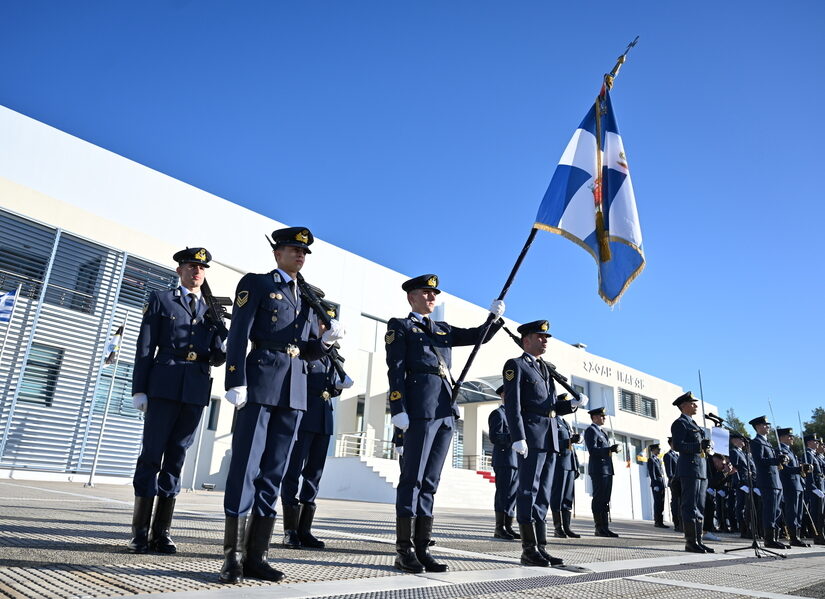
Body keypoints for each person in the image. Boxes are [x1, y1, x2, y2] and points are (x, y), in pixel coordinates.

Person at [219, 227, 345, 584]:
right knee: (245, 467)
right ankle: (232, 557)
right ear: (277, 253)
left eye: (304, 252)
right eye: (293, 250)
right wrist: (235, 379)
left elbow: (305, 350)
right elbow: (238, 333)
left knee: (275, 472)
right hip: (259, 383)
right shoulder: (257, 284)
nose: (300, 255)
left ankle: (257, 556)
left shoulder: (305, 297)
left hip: (294, 390)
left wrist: (324, 342)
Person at [386, 273, 504, 573]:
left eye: (433, 294)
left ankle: (423, 548)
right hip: (418, 408)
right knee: (411, 478)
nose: (431, 298)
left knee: (430, 481)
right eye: (425, 293)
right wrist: (397, 406)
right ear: (411, 296)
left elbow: (477, 336)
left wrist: (493, 318)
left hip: (445, 409)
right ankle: (404, 551)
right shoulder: (400, 326)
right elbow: (395, 368)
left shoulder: (442, 329)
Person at [129, 247, 227, 554]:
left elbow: (217, 356)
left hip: (195, 387)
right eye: (191, 266)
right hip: (164, 382)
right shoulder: (162, 299)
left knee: (176, 459)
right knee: (151, 456)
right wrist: (139, 389)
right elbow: (145, 346)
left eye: (201, 268)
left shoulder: (212, 309)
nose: (197, 271)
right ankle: (140, 533)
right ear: (179, 270)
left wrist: (226, 343)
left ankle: (162, 532)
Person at [281, 299, 353, 550]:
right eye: (323, 323)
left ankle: (305, 529)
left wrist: (337, 387)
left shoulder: (333, 355)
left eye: (328, 324)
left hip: (323, 420)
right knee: (292, 473)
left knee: (313, 475)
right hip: (303, 417)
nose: (325, 327)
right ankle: (290, 530)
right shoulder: (306, 349)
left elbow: (329, 387)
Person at [502, 319, 573, 567]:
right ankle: (528, 548)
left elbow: (551, 406)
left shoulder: (546, 369)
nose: (544, 341)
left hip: (550, 438)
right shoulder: (516, 366)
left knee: (543, 494)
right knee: (528, 491)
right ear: (526, 340)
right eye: (540, 337)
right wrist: (518, 436)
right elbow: (513, 405)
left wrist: (572, 405)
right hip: (531, 438)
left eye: (546, 338)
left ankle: (541, 547)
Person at [671, 391, 714, 553]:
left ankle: (699, 540)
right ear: (683, 406)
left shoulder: (695, 424)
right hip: (689, 468)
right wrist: (698, 447)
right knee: (690, 505)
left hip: (700, 469)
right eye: (692, 403)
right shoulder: (680, 423)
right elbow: (678, 445)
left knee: (700, 506)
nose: (696, 405)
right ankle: (691, 542)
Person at [749, 415, 789, 549]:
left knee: (776, 511)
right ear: (758, 427)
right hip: (767, 480)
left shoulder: (768, 443)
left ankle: (775, 537)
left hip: (775, 481)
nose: (768, 427)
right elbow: (759, 461)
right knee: (770, 510)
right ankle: (769, 539)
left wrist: (780, 459)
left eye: (768, 425)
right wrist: (775, 460)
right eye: (765, 425)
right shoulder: (756, 442)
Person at [551, 393, 585, 539]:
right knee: (557, 496)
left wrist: (576, 466)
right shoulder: (552, 420)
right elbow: (551, 443)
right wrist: (568, 441)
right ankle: (558, 528)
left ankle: (567, 527)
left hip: (569, 464)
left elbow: (572, 449)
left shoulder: (565, 423)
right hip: (559, 464)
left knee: (567, 498)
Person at [488, 385, 519, 540]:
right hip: (504, 459)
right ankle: (499, 528)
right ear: (503, 395)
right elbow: (494, 437)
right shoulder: (498, 414)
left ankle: (509, 526)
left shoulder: (516, 415)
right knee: (503, 494)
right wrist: (513, 437)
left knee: (512, 495)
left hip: (516, 460)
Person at [584, 406, 619, 537]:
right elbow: (592, 450)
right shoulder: (591, 431)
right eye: (602, 416)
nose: (604, 418)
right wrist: (608, 449)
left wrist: (610, 450)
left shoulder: (603, 432)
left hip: (607, 469)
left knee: (605, 499)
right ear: (594, 417)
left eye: (604, 416)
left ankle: (605, 527)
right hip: (598, 469)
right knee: (599, 498)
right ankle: (599, 527)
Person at [777, 427, 810, 547]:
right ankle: (793, 537)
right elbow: (785, 469)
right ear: (781, 438)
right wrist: (799, 469)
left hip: (798, 485)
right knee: (792, 512)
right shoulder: (781, 450)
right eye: (789, 436)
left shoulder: (790, 451)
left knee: (798, 513)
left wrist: (803, 469)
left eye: (792, 436)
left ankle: (797, 535)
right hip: (790, 485)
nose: (792, 438)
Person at [729, 434, 756, 539]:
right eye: (741, 439)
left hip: (748, 482)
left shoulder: (743, 452)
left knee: (748, 506)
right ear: (734, 441)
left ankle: (749, 529)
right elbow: (735, 468)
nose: (744, 441)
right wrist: (739, 483)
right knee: (742, 507)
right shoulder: (734, 452)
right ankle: (743, 530)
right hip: (741, 483)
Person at [803, 435, 825, 544]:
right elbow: (808, 473)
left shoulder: (814, 455)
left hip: (821, 485)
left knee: (821, 513)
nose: (817, 443)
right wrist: (812, 487)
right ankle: (818, 536)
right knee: (817, 513)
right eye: (814, 441)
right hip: (816, 487)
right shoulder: (807, 454)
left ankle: (821, 534)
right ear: (808, 443)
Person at [647, 443, 668, 528]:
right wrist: (655, 484)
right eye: (657, 449)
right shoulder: (651, 460)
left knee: (661, 503)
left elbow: (661, 473)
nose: (659, 451)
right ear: (653, 450)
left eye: (659, 449)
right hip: (657, 484)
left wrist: (664, 482)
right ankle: (657, 521)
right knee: (658, 503)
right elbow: (652, 473)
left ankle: (661, 521)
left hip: (661, 483)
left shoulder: (658, 460)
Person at [664, 437, 681, 531]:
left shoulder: (677, 455)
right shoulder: (668, 455)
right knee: (675, 503)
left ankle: (681, 523)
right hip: (674, 482)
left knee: (680, 503)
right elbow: (669, 472)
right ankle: (677, 523)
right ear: (671, 444)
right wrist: (673, 480)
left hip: (680, 482)